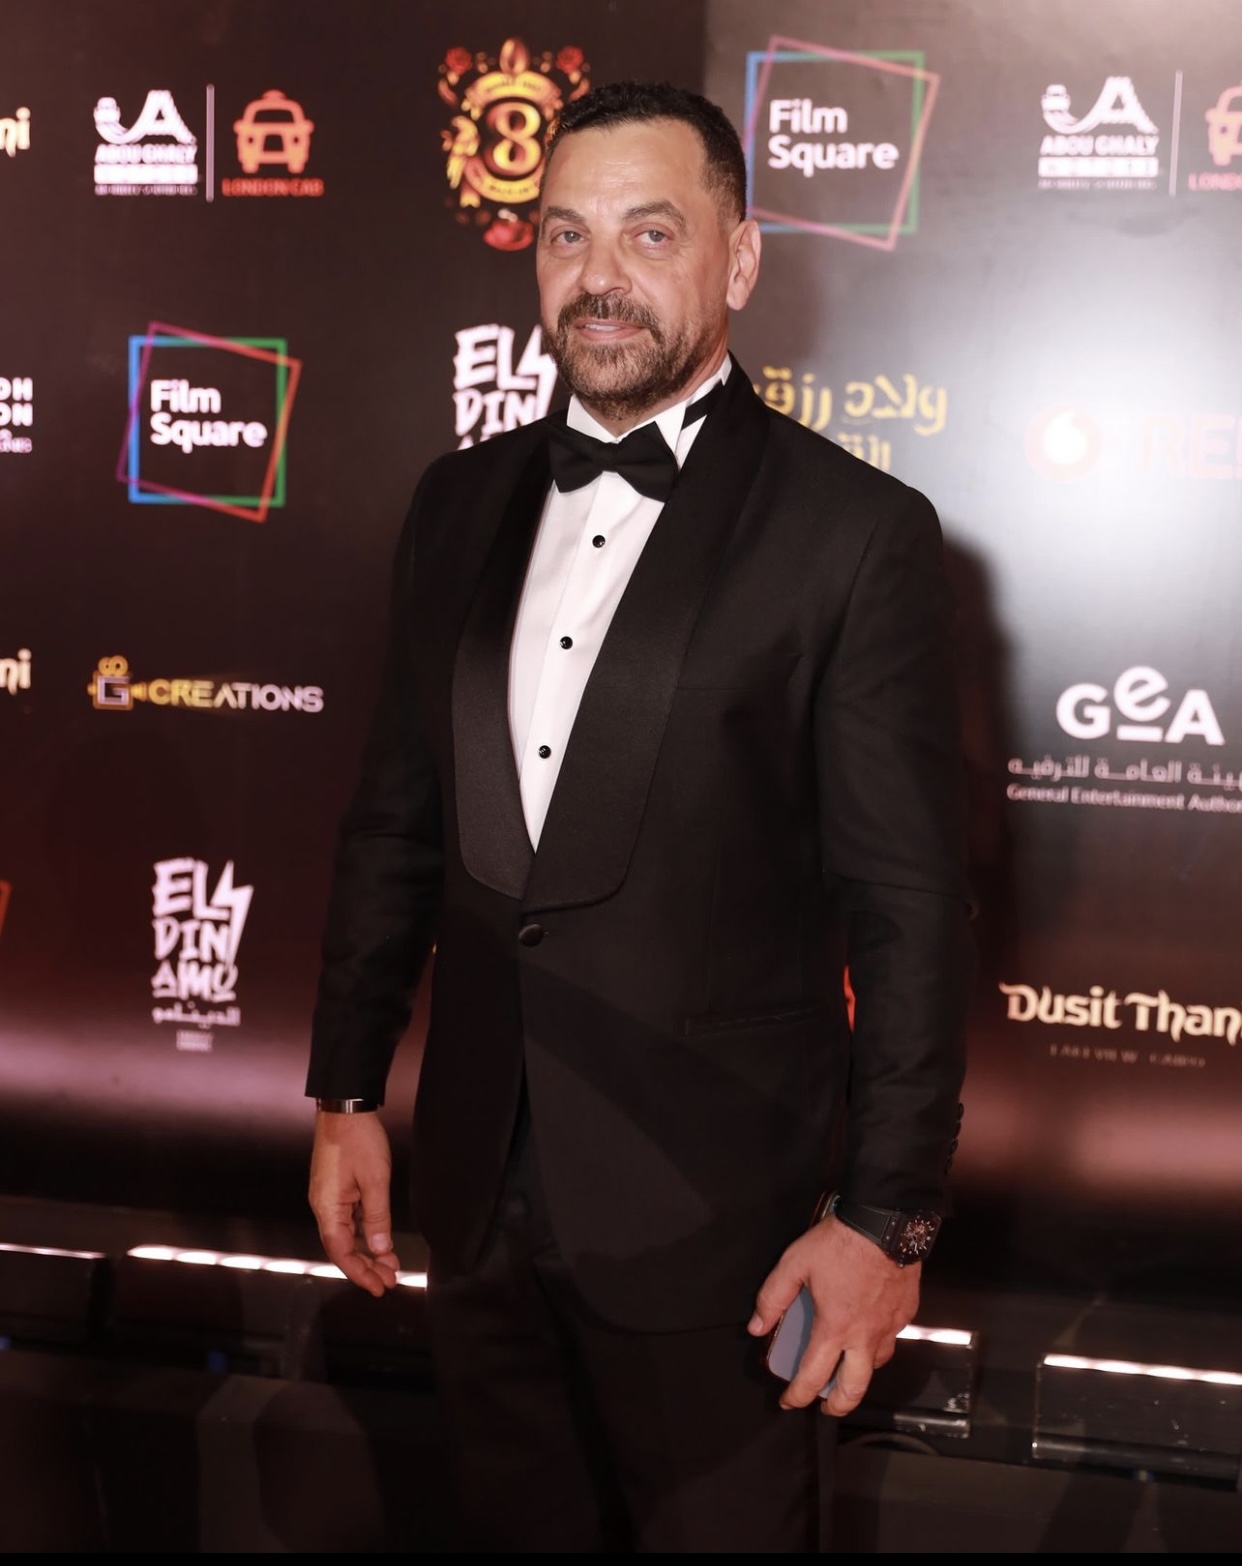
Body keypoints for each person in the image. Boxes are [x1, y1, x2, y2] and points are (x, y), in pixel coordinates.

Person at [306, 81, 973, 1553]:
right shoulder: (454, 502)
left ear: (738, 261)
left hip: (723, 1231)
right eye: (566, 235)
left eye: (649, 234)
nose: (598, 276)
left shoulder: (854, 536)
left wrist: (885, 1221)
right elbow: (394, 823)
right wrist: (347, 1094)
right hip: (475, 1196)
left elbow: (909, 913)